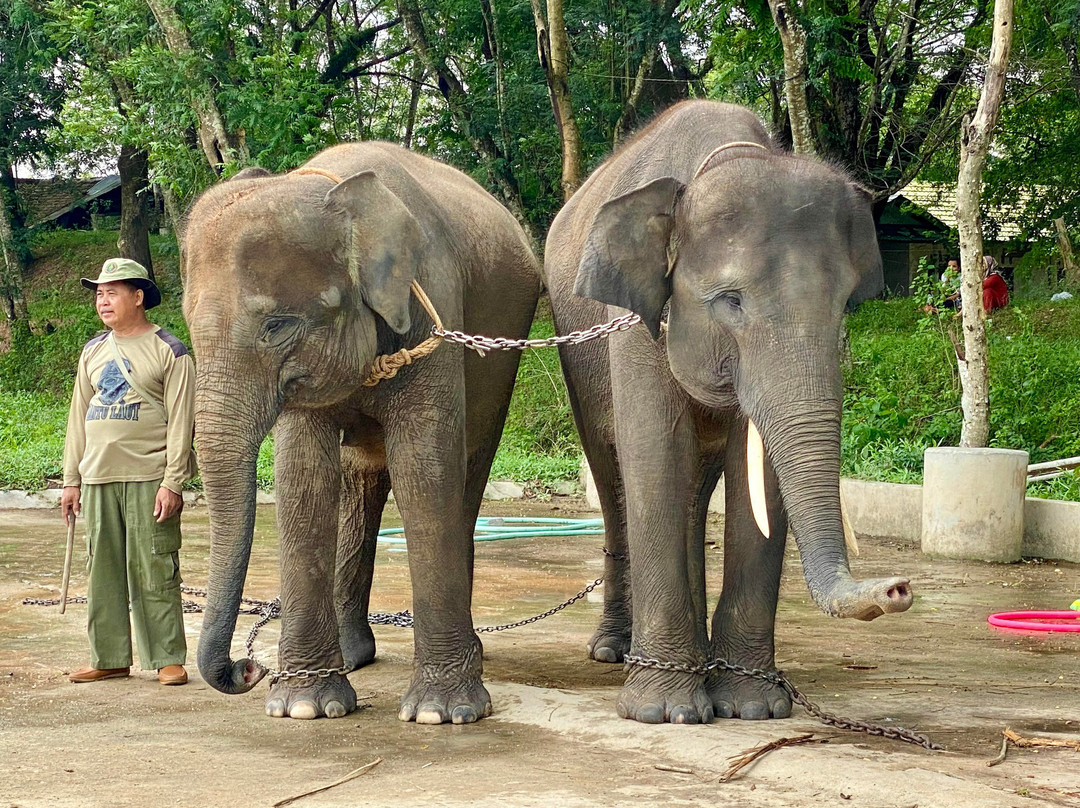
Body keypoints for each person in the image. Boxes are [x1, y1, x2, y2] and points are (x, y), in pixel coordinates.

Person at [60, 258, 196, 686]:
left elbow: (182, 422)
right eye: (99, 293)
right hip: (98, 476)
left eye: (112, 292)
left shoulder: (169, 350)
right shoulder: (93, 351)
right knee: (101, 570)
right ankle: (110, 656)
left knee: (154, 566)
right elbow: (78, 417)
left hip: (148, 477)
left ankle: (167, 657)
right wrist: (71, 479)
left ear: (138, 298)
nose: (103, 300)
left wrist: (173, 480)